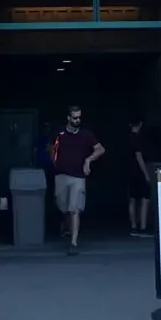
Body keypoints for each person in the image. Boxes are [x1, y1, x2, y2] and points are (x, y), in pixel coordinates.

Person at [53, 105, 105, 255]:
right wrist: (53, 162)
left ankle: (73, 242)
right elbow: (50, 147)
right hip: (61, 175)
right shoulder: (60, 133)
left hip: (78, 177)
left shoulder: (86, 134)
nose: (77, 120)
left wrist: (88, 160)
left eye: (79, 117)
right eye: (75, 117)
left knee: (74, 209)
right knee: (63, 207)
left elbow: (100, 149)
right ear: (68, 118)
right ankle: (68, 229)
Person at [127, 119, 152, 237]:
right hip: (138, 172)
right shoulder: (137, 139)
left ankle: (133, 227)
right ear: (140, 124)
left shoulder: (127, 138)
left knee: (132, 199)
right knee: (144, 199)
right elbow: (139, 156)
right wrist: (146, 174)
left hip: (130, 172)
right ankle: (143, 227)